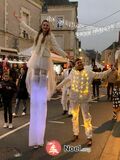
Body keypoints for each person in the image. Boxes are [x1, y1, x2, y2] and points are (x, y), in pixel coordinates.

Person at [14, 14, 67, 148]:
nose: (45, 26)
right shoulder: (37, 35)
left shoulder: (50, 36)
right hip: (36, 59)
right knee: (35, 74)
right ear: (41, 26)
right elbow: (27, 28)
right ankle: (35, 89)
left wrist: (65, 55)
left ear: (49, 28)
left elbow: (55, 47)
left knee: (42, 75)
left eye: (47, 25)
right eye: (44, 25)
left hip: (44, 60)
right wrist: (20, 20)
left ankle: (41, 90)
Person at [56, 58, 111, 147]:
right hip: (74, 99)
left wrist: (110, 70)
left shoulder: (89, 72)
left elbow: (101, 75)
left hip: (84, 100)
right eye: (78, 63)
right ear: (75, 65)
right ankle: (76, 133)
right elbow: (65, 80)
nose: (80, 64)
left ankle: (89, 137)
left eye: (81, 63)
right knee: (74, 117)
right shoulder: (72, 73)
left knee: (86, 118)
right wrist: (57, 86)